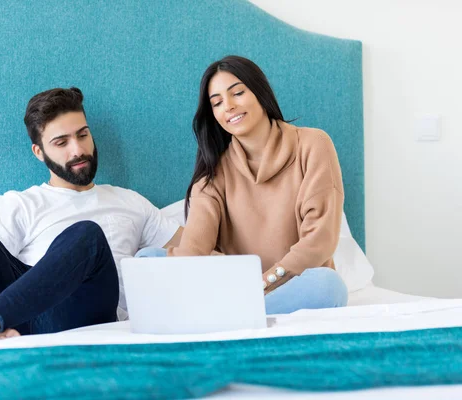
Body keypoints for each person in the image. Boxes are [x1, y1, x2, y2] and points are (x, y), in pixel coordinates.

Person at [0, 87, 182, 357]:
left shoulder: (129, 201)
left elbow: (197, 249)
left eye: (83, 135)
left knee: (86, 235)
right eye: (61, 142)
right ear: (39, 152)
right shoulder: (22, 204)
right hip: (22, 315)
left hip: (86, 309)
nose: (77, 150)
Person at [149, 55, 349, 314]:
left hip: (294, 284)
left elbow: (318, 242)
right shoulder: (212, 172)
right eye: (217, 102)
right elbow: (195, 248)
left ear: (260, 92)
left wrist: (262, 285)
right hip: (235, 288)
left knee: (329, 286)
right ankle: (236, 312)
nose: (228, 106)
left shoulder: (313, 145)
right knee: (147, 259)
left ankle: (231, 313)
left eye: (238, 93)